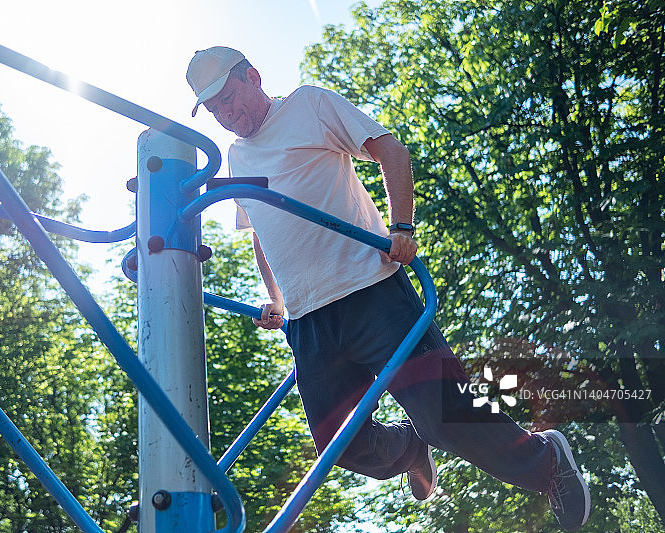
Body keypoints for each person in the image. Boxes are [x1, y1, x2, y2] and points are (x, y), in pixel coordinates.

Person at [186, 46, 591, 531]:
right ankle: (410, 449)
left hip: (371, 292)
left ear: (253, 76)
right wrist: (273, 299)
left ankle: (548, 460)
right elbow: (261, 233)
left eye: (230, 98)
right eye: (216, 110)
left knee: (447, 414)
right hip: (310, 321)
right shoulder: (235, 155)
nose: (227, 115)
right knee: (341, 444)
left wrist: (402, 226)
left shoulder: (309, 105)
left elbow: (390, 149)